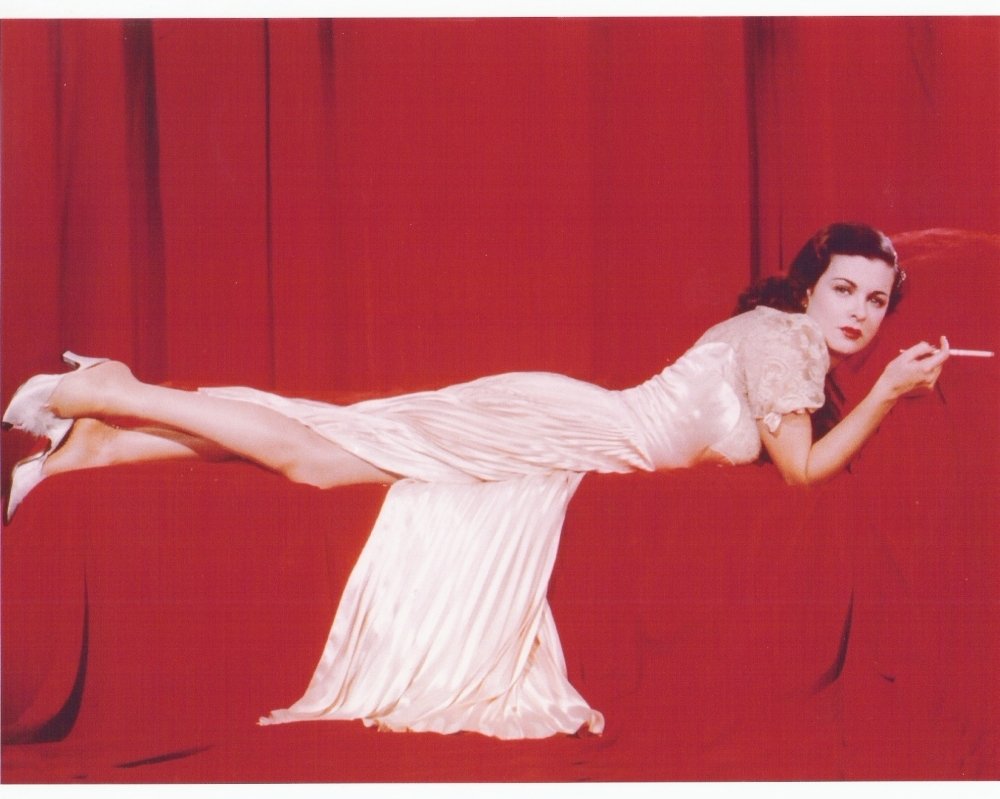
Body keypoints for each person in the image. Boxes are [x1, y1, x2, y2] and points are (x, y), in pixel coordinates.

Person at [2, 222, 949, 739]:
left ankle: (104, 442)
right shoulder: (789, 343)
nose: (858, 313)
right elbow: (802, 471)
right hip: (564, 426)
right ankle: (118, 389)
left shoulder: (781, 341)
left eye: (875, 299)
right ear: (808, 288)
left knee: (328, 440)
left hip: (565, 429)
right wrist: (891, 392)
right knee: (319, 454)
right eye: (844, 289)